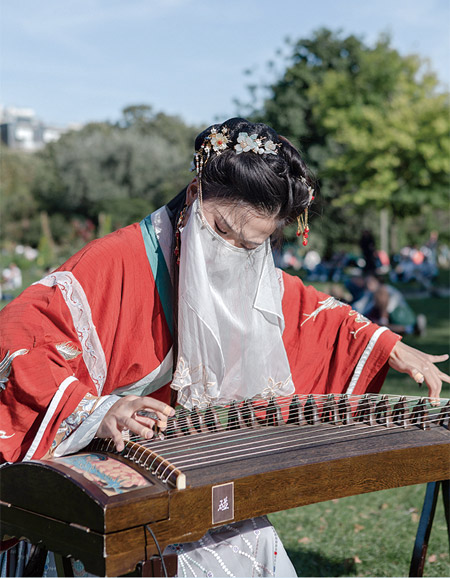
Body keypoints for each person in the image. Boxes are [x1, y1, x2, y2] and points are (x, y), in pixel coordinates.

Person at [1, 118, 449, 577]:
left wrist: (385, 344)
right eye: (221, 230)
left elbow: (298, 307)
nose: (231, 252)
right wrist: (100, 409)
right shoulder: (116, 260)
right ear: (195, 194)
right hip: (92, 475)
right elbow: (18, 337)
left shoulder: (240, 261)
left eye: (251, 245)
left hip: (166, 463)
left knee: (250, 540)